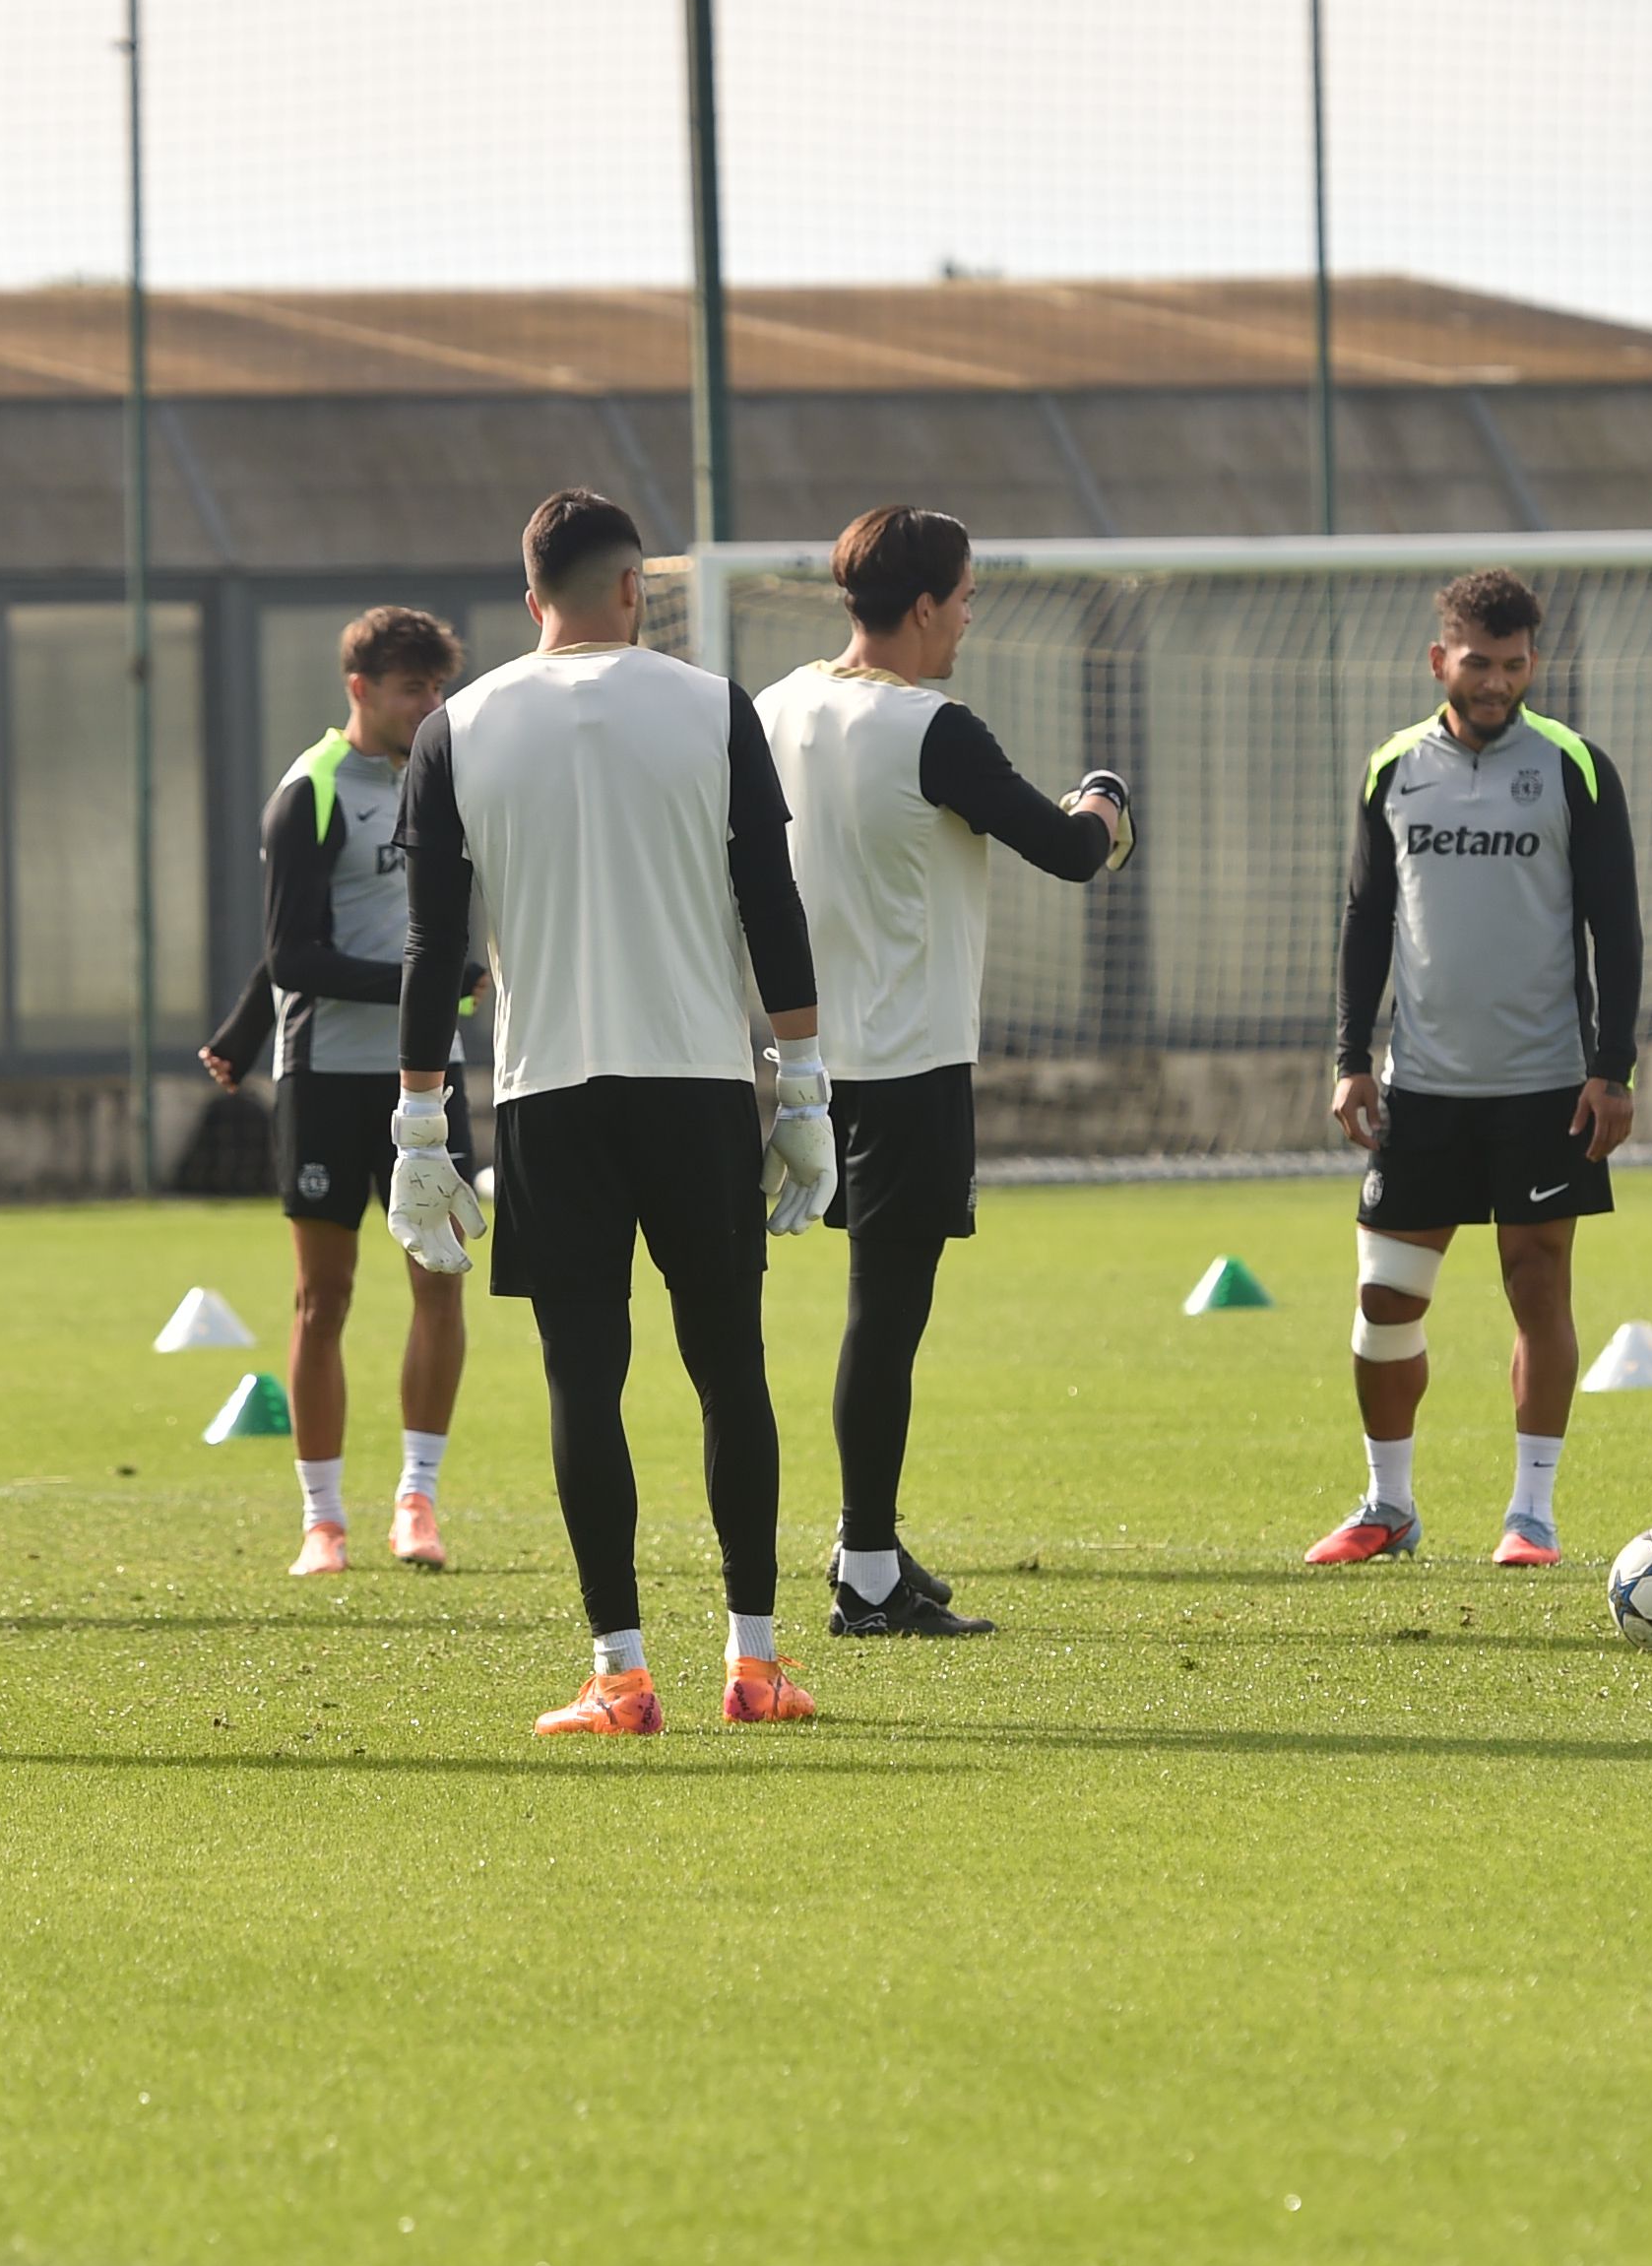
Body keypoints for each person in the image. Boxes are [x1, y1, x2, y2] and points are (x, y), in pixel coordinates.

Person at [386, 487, 829, 1736]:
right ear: (635, 587)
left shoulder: (455, 726)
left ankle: (620, 1674)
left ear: (528, 599)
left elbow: (431, 949)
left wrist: (419, 1124)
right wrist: (802, 1083)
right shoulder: (712, 705)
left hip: (548, 1098)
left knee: (582, 1378)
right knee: (729, 1368)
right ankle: (753, 1663)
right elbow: (771, 903)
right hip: (697, 1087)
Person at [759, 505, 1128, 1637]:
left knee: (810, 1316)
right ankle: (866, 1573)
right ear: (922, 605)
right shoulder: (933, 728)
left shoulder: (774, 704)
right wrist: (1106, 804)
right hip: (908, 1063)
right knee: (883, 1318)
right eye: (965, 598)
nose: (970, 617)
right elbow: (1065, 850)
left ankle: (863, 1543)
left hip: (794, 1058)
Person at [1308, 566, 1639, 1576]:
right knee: (1384, 1301)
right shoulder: (1392, 769)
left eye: (1513, 664)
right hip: (1420, 1090)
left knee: (1536, 1289)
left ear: (1533, 661)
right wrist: (1349, 1059)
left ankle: (1530, 1515)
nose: (1496, 682)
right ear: (1437, 659)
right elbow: (1367, 919)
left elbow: (1616, 926)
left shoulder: (1574, 768)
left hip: (1544, 1088)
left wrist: (1611, 1068)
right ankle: (1388, 1503)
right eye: (1477, 663)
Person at [203, 611, 477, 1576]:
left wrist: (236, 1030)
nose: (428, 706)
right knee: (323, 1298)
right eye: (411, 690)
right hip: (324, 1079)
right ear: (359, 689)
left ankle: (417, 1502)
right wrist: (426, 983)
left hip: (429, 1075)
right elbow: (295, 952)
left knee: (439, 1280)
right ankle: (322, 1520)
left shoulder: (443, 779)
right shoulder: (310, 792)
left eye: (437, 689)